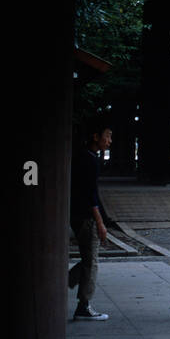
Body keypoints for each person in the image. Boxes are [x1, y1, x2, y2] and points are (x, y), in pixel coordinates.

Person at [68, 118, 110, 320]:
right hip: (86, 216)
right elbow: (90, 194)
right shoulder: (90, 159)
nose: (109, 140)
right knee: (91, 262)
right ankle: (83, 305)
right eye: (107, 135)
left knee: (87, 260)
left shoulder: (82, 156)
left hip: (76, 214)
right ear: (96, 137)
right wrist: (100, 222)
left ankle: (61, 281)